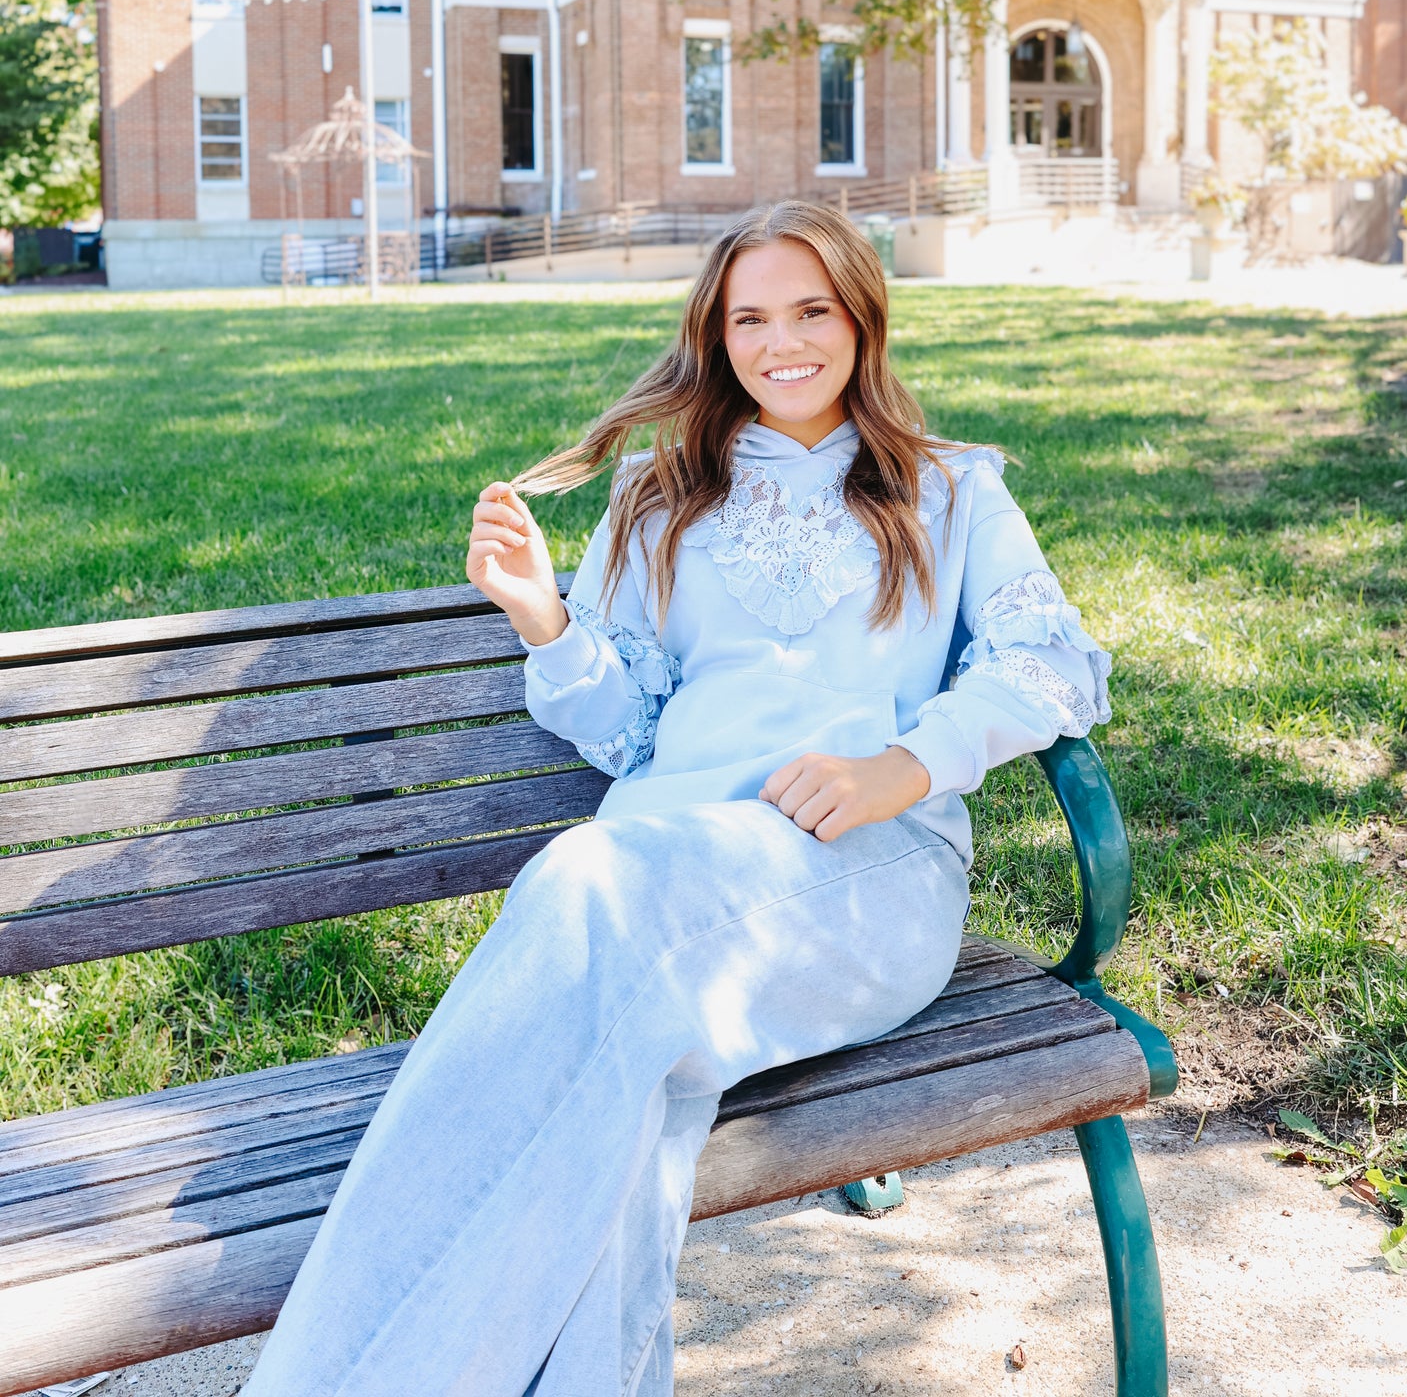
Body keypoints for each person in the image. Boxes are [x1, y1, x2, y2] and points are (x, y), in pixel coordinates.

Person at [245, 200, 1110, 1397]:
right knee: (618, 1106)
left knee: (583, 883)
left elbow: (1048, 662)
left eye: (810, 309)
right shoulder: (660, 497)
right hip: (660, 878)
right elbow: (627, 728)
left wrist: (902, 764)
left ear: (862, 317)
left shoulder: (952, 491)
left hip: (861, 872)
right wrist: (541, 614)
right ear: (715, 335)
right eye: (748, 316)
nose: (781, 340)